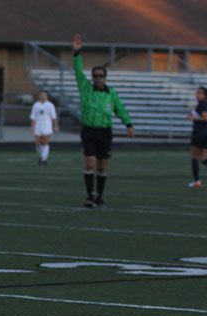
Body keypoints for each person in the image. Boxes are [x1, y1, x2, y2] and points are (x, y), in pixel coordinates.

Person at [72, 33, 134, 208]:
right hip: (89, 131)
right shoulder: (86, 89)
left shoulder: (111, 94)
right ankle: (89, 196)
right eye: (96, 76)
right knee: (89, 161)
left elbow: (120, 109)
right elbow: (77, 71)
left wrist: (128, 124)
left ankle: (99, 196)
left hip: (105, 133)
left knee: (102, 166)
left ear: (105, 77)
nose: (98, 78)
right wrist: (76, 54)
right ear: (92, 78)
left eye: (101, 75)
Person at [30, 91, 58, 165]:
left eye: (44, 95)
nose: (43, 96)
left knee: (45, 142)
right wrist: (32, 126)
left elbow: (53, 117)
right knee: (37, 143)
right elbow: (33, 117)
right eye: (41, 95)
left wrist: (55, 126)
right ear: (39, 96)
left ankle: (43, 159)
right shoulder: (36, 105)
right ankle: (41, 156)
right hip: (38, 126)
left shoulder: (50, 105)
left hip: (47, 126)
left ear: (47, 96)